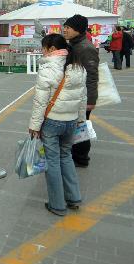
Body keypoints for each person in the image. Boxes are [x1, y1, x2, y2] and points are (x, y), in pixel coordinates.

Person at [28, 33, 86, 216]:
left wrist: (34, 126)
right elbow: (83, 97)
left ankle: (57, 205)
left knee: (52, 162)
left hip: (52, 122)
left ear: (52, 49)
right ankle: (74, 198)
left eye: (43, 48)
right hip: (71, 121)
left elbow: (40, 101)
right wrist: (81, 119)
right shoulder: (78, 67)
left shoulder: (48, 68)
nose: (42, 51)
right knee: (66, 157)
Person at [62, 14, 99, 168]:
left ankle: (81, 157)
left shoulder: (85, 48)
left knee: (81, 126)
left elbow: (92, 75)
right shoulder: (74, 44)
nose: (65, 30)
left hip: (83, 96)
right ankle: (76, 154)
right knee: (76, 125)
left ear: (77, 29)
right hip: (75, 94)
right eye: (65, 27)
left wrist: (91, 100)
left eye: (68, 28)